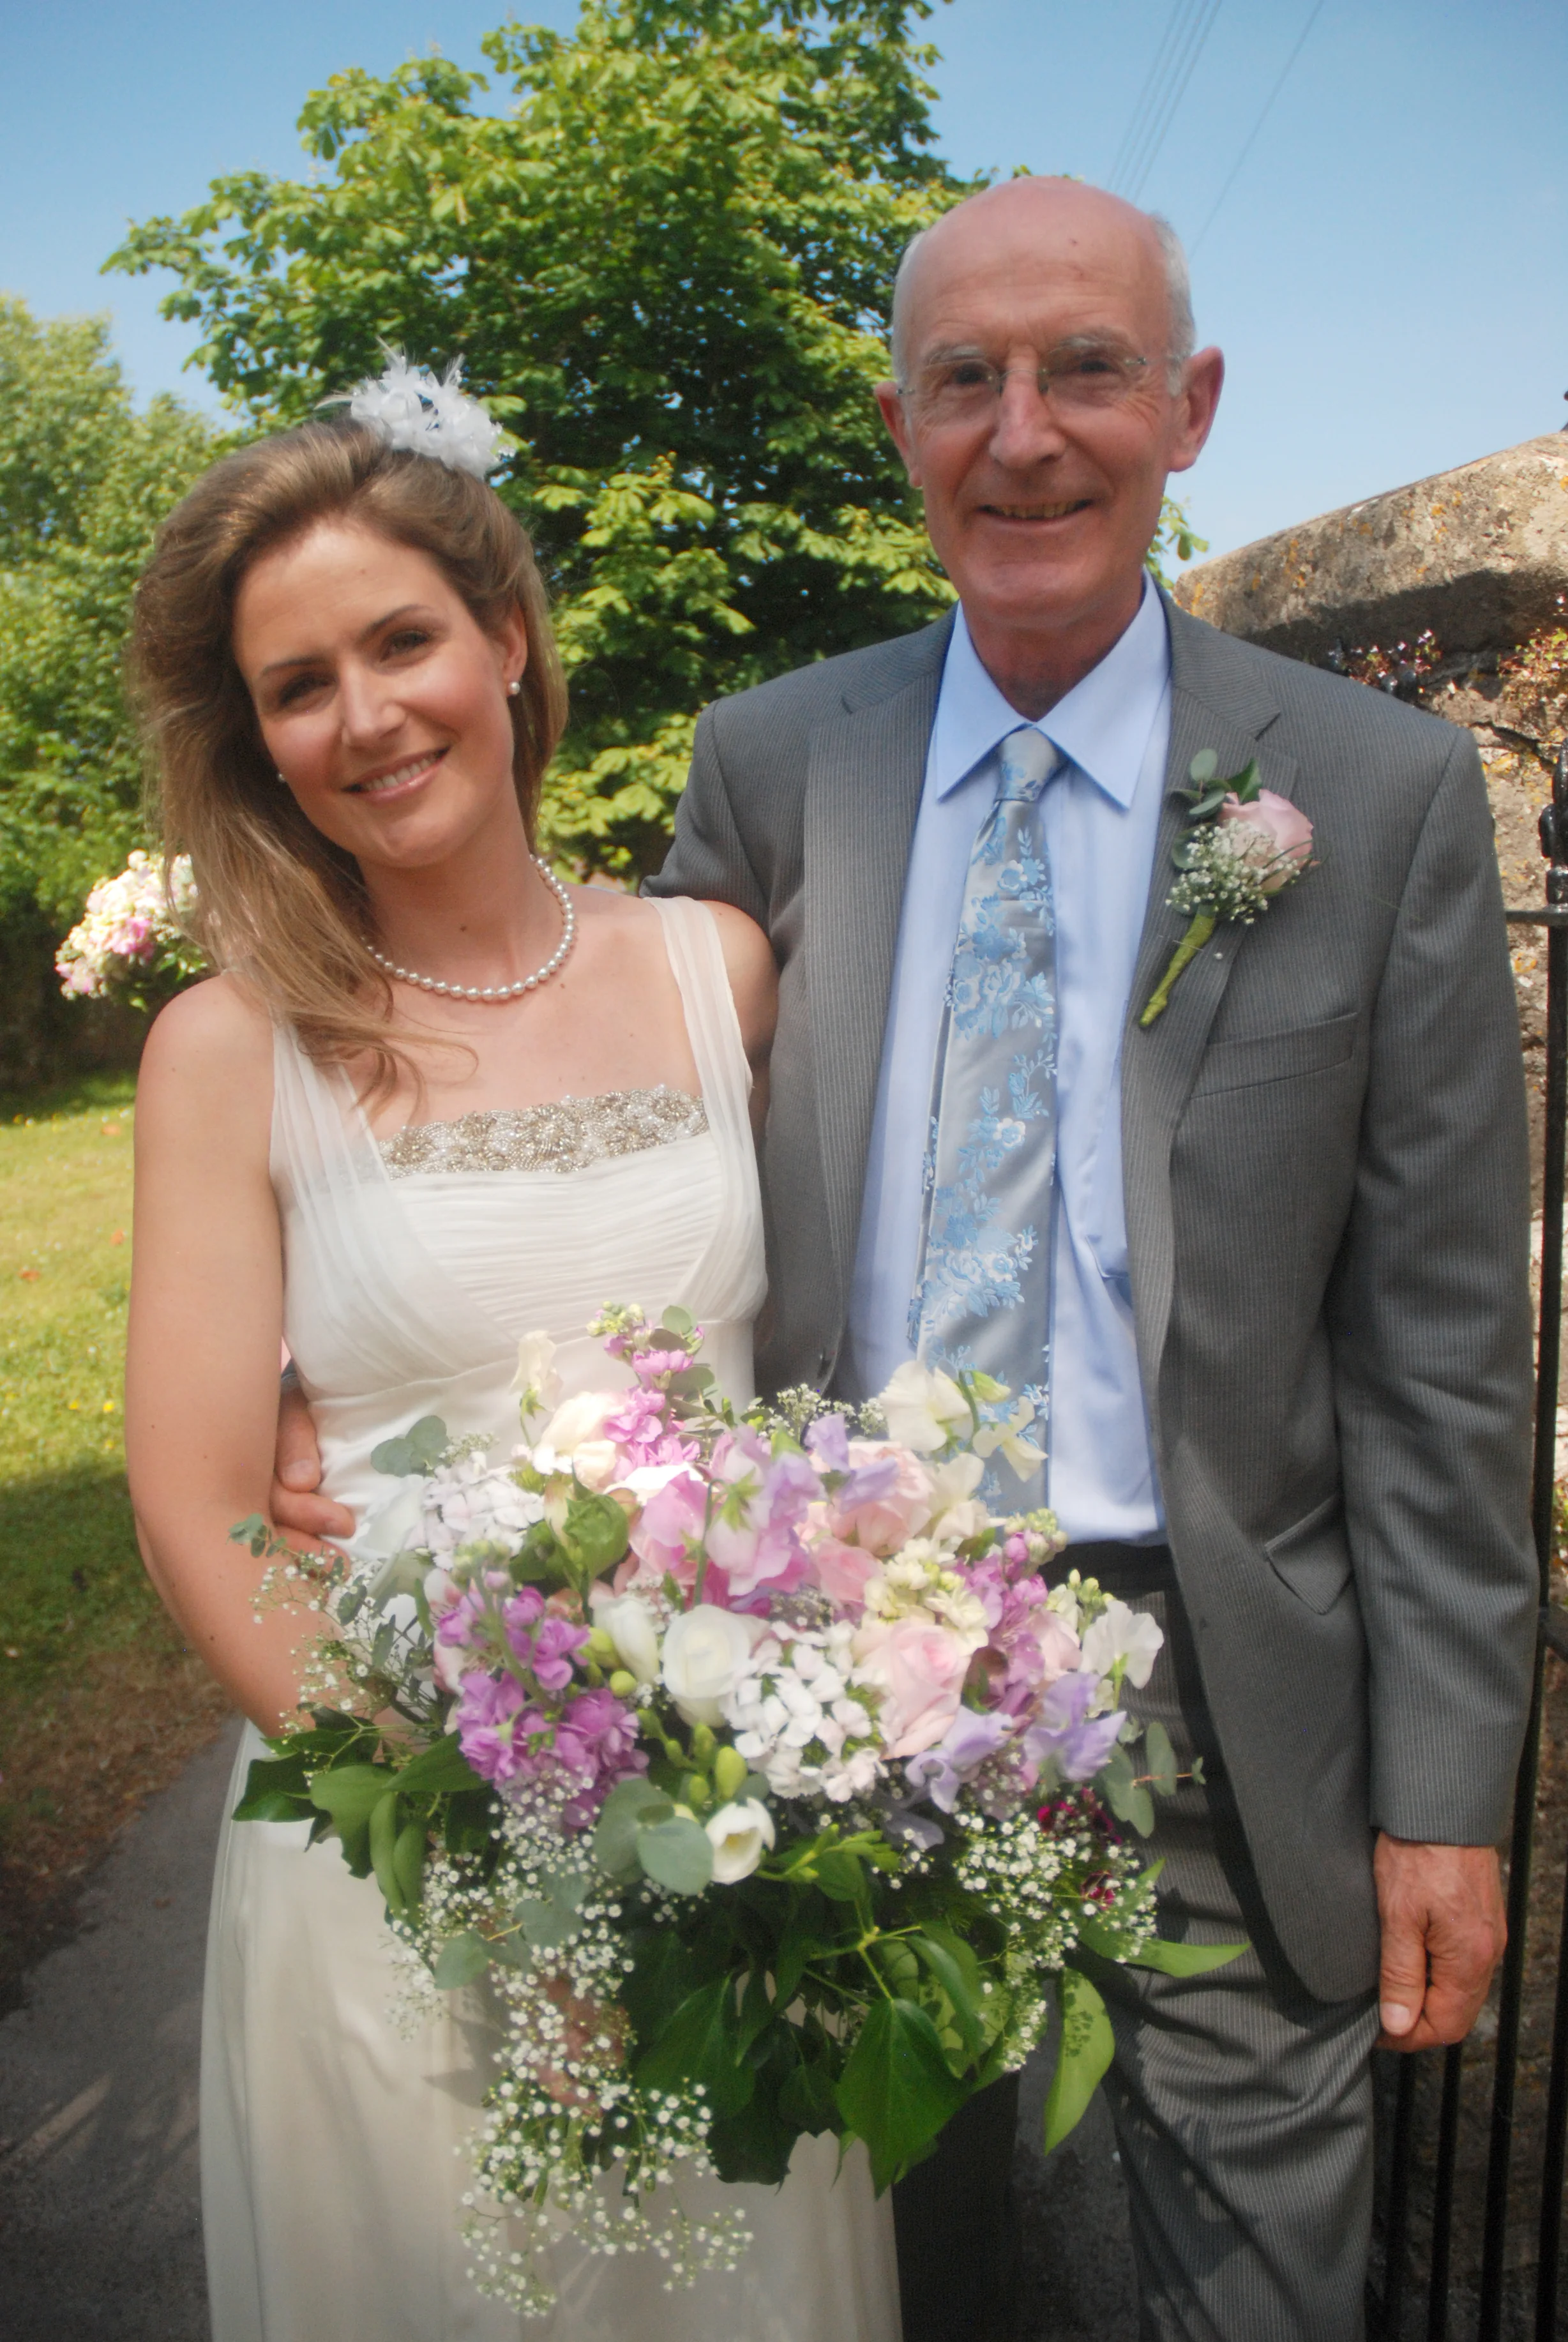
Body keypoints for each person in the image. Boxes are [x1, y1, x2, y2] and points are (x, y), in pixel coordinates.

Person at [272, 185, 1536, 2338]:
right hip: (815, 1683)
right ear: (900, 422)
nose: (1024, 433)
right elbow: (628, 1114)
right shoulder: (778, 766)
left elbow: (1439, 1350)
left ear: (1191, 406)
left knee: (1265, 2290)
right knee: (891, 2272)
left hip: (1232, 1699)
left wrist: (1445, 1790)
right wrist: (371, 1338)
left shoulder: (1381, 792)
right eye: (967, 379)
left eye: (1087, 369)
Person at [125, 388, 901, 2342]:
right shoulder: (233, 1050)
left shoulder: (717, 968)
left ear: (508, 641)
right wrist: (498, 1876)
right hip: (400, 1868)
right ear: (262, 743)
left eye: (401, 643)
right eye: (297, 686)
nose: (366, 716)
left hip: (728, 1845)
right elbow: (203, 1505)